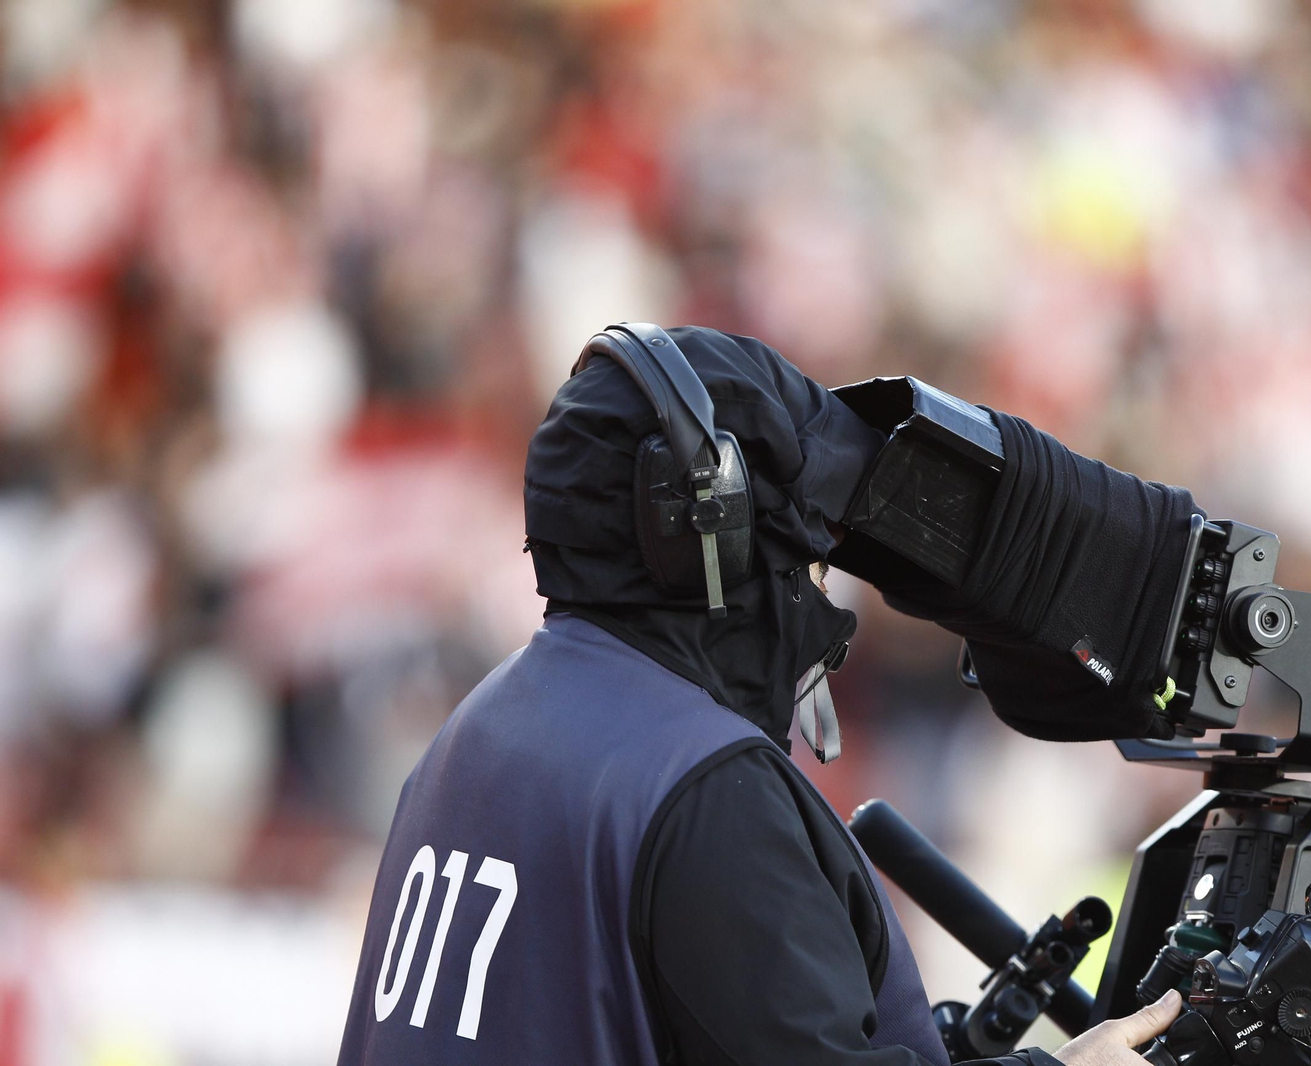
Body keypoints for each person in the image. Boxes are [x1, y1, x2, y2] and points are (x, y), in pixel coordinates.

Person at [337, 325, 1196, 1065]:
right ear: (703, 526)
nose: (820, 572)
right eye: (802, 530)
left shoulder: (477, 732)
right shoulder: (700, 787)